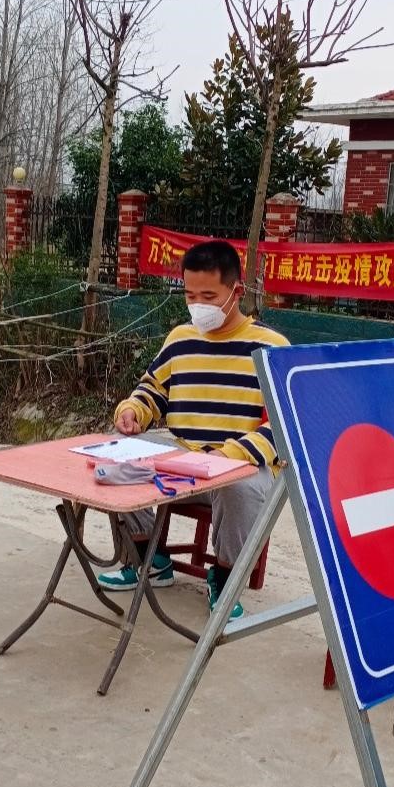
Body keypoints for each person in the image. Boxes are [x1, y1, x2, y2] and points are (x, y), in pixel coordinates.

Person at [98, 239, 288, 618]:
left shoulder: (271, 348)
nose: (198, 305)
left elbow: (282, 425)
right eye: (190, 295)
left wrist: (229, 456)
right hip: (183, 459)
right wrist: (133, 410)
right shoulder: (181, 339)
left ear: (236, 292)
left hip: (240, 465)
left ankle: (225, 578)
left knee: (239, 487)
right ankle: (148, 557)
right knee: (115, 456)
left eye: (209, 296)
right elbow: (152, 390)